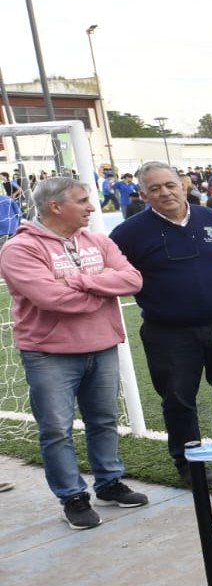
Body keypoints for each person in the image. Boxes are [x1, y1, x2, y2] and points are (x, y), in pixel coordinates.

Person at [0, 176, 147, 528]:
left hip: (102, 345)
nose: (91, 207)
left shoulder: (97, 240)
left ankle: (109, 483)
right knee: (56, 429)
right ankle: (73, 497)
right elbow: (51, 299)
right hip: (49, 353)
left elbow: (133, 280)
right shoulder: (20, 249)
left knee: (104, 421)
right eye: (82, 201)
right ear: (56, 206)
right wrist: (101, 287)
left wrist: (78, 280)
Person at [110, 162, 212, 485]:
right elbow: (118, 272)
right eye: (154, 188)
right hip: (168, 332)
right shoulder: (128, 234)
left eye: (169, 184)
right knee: (178, 397)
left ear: (183, 184)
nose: (164, 192)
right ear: (143, 194)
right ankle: (189, 460)